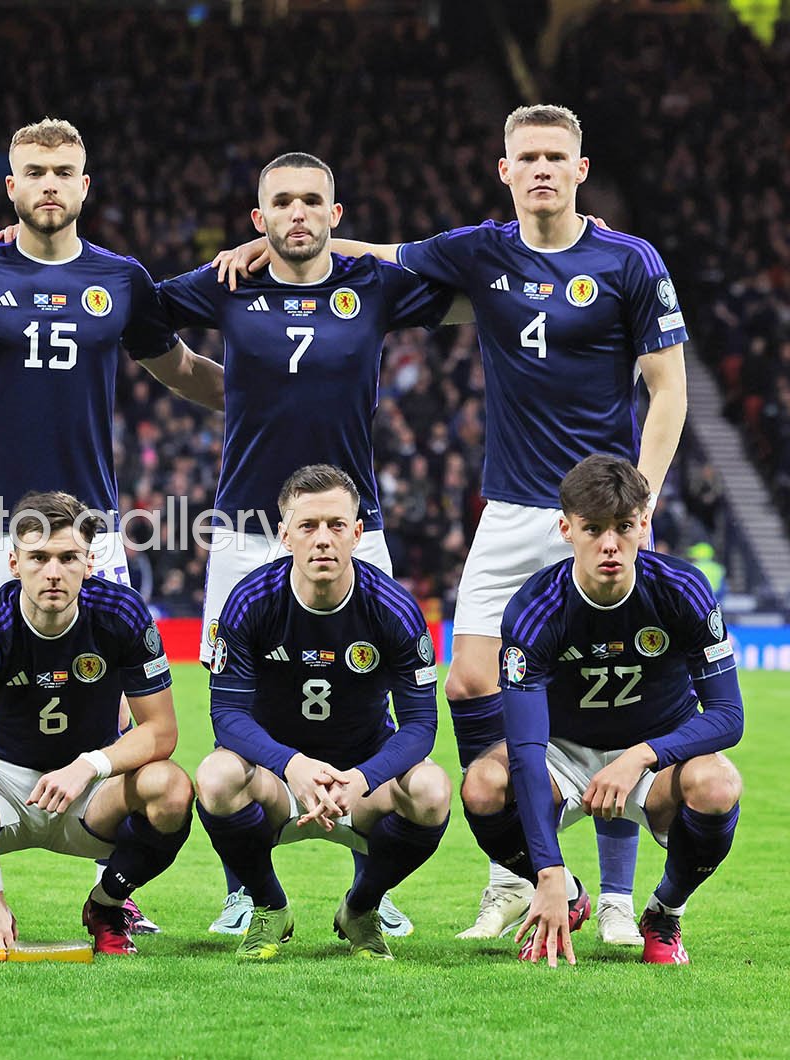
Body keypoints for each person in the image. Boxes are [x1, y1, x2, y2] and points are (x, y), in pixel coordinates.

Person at [217, 105, 688, 942]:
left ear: (582, 168)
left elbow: (668, 388)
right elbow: (382, 254)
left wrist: (639, 501)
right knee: (470, 682)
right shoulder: (482, 250)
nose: (542, 168)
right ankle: (517, 873)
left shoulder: (629, 260)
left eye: (556, 156)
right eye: (526, 157)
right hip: (510, 507)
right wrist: (284, 246)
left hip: (602, 512)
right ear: (503, 171)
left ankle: (616, 895)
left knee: (609, 697)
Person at [157, 151, 461, 936]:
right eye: (281, 202)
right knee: (237, 704)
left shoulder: (374, 285)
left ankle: (374, 884)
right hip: (245, 531)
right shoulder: (228, 284)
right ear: (257, 221)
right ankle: (243, 888)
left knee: (372, 696)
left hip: (354, 532)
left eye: (313, 200)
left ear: (335, 213)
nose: (298, 212)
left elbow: (475, 286)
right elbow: (134, 313)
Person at [0, 118, 222, 621]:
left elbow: (181, 369)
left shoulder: (123, 278)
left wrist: (267, 398)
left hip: (91, 522)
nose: (50, 183)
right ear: (11, 186)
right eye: (35, 171)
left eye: (64, 172)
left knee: (111, 690)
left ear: (84, 186)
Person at [0, 491, 193, 957]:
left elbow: (161, 732)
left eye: (68, 557)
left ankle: (108, 905)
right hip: (0, 784)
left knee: (171, 789)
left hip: (91, 791)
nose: (53, 572)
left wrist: (89, 765)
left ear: (89, 562)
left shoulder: (122, 613)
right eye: (39, 557)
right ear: (14, 563)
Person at [467, 454, 742, 966]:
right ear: (567, 529)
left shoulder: (683, 591)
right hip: (561, 755)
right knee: (483, 784)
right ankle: (568, 897)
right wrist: (547, 873)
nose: (609, 544)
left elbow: (728, 715)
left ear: (644, 523)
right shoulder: (534, 609)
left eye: (622, 527)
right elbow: (526, 750)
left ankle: (664, 911)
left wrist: (642, 755)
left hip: (657, 756)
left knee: (719, 784)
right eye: (593, 529)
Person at [196, 465, 448, 960]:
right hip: (276, 778)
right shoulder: (250, 600)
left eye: (336, 525)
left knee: (433, 790)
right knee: (214, 776)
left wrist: (364, 777)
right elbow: (226, 714)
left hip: (361, 784)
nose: (323, 540)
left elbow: (421, 724)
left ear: (358, 534)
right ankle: (268, 906)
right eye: (308, 526)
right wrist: (292, 764)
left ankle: (362, 905)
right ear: (285, 535)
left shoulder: (394, 607)